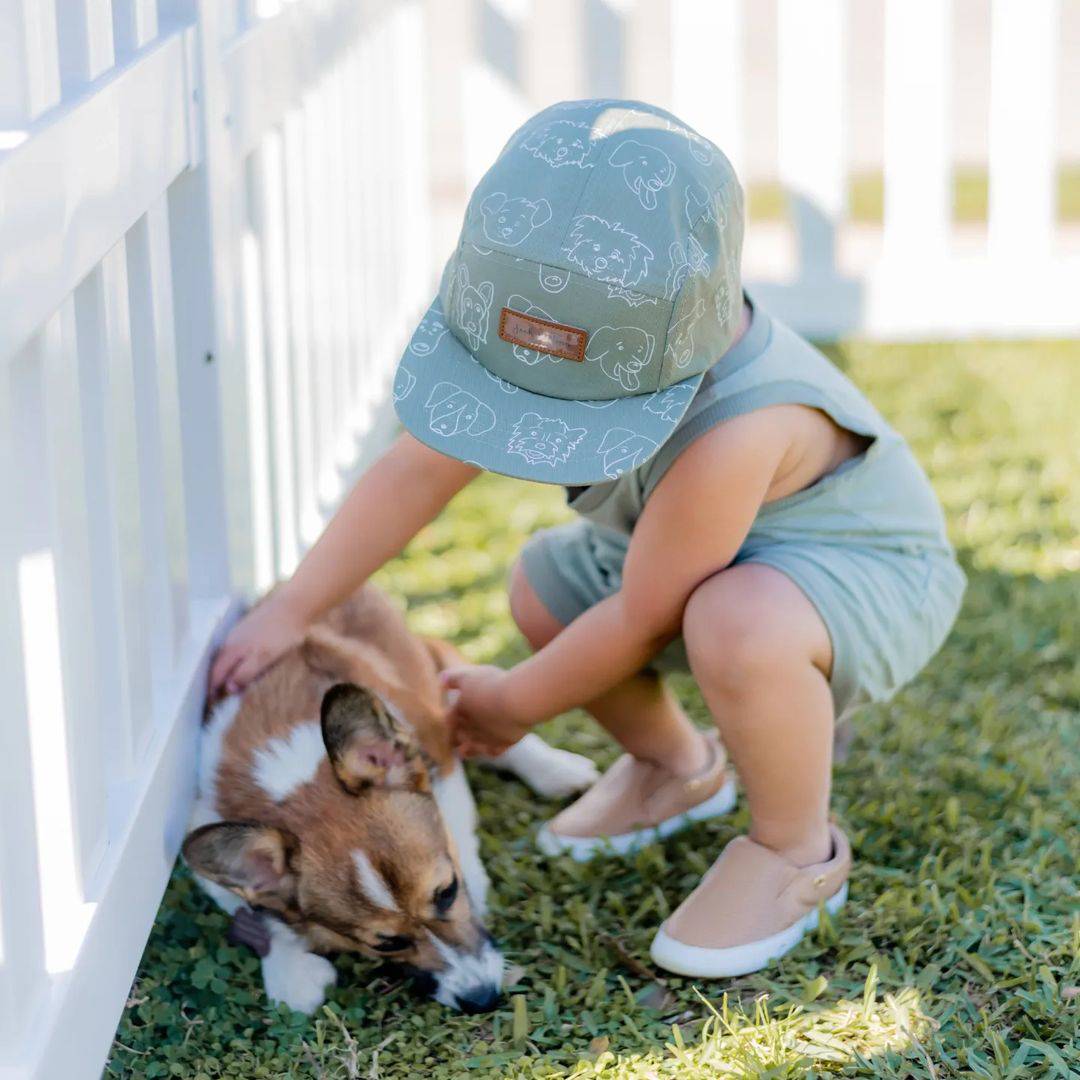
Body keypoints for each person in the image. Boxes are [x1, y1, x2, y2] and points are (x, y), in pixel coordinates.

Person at [209, 99, 965, 977]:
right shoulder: (579, 324)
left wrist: (513, 704)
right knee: (546, 582)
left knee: (734, 619)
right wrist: (296, 605)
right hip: (706, 565)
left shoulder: (738, 430)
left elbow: (645, 616)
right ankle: (677, 768)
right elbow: (417, 469)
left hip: (862, 577)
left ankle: (795, 850)